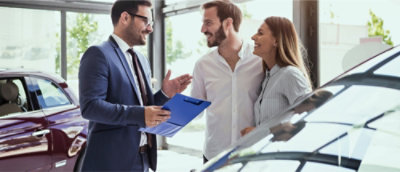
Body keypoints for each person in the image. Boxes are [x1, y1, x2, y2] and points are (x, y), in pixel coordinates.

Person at [78, 0, 192, 171]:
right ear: (125, 17)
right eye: (146, 21)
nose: (150, 28)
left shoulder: (141, 60)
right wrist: (140, 114)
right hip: (111, 163)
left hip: (142, 160)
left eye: (151, 23)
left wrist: (164, 94)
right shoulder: (98, 54)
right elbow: (91, 107)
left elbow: (144, 108)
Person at [191, 0, 264, 163]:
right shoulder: (203, 65)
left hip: (251, 154)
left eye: (208, 23)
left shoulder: (259, 60)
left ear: (228, 23)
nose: (203, 30)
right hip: (214, 156)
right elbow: (195, 111)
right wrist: (171, 98)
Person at [241, 16, 312, 137]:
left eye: (260, 33)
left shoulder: (290, 74)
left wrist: (259, 132)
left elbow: (309, 119)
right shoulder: (268, 78)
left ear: (276, 41)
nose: (253, 37)